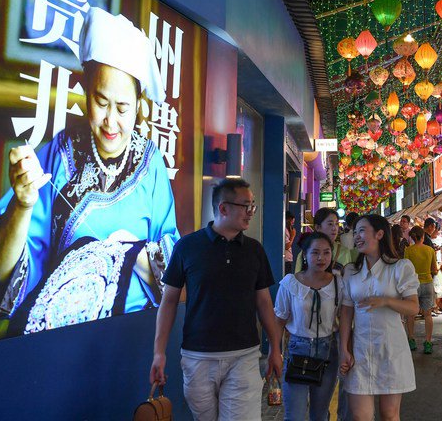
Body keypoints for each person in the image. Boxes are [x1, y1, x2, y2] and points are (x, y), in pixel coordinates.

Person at [0, 7, 179, 335]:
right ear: (84, 91)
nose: (111, 121)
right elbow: (7, 280)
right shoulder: (57, 154)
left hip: (129, 337)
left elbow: (177, 273)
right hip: (59, 337)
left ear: (140, 104)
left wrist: (131, 255)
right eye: (100, 101)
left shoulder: (151, 164)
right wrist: (22, 207)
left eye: (123, 108)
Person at [150, 178, 283, 421]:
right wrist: (159, 352)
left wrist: (275, 347)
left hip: (244, 354)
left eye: (252, 205)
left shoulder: (255, 250)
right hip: (197, 356)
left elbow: (264, 302)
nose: (251, 212)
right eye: (246, 206)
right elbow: (168, 302)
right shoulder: (187, 247)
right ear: (223, 208)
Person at [338, 214, 420, 421]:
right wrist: (343, 349)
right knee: (360, 416)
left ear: (380, 234)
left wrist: (386, 301)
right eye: (355, 232)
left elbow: (413, 308)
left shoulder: (400, 268)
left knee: (389, 415)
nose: (356, 236)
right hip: (360, 349)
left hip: (391, 350)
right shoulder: (351, 271)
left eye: (362, 231)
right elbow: (346, 312)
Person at [275, 232, 344, 421]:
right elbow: (279, 320)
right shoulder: (290, 283)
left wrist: (346, 351)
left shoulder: (338, 283)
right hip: (297, 350)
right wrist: (275, 352)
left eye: (326, 252)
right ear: (304, 255)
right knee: (294, 415)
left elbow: (344, 320)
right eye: (315, 253)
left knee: (320, 415)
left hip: (328, 351)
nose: (321, 258)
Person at [403, 226, 438, 354]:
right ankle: (428, 342)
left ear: (412, 237)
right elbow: (435, 269)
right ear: (422, 237)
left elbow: (405, 269)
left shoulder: (408, 251)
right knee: (428, 314)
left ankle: (411, 340)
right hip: (428, 283)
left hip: (413, 285)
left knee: (410, 314)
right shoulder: (430, 250)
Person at [294, 207, 358, 274]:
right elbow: (298, 279)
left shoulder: (344, 252)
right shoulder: (306, 252)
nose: (334, 228)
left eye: (336, 224)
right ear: (318, 227)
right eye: (330, 224)